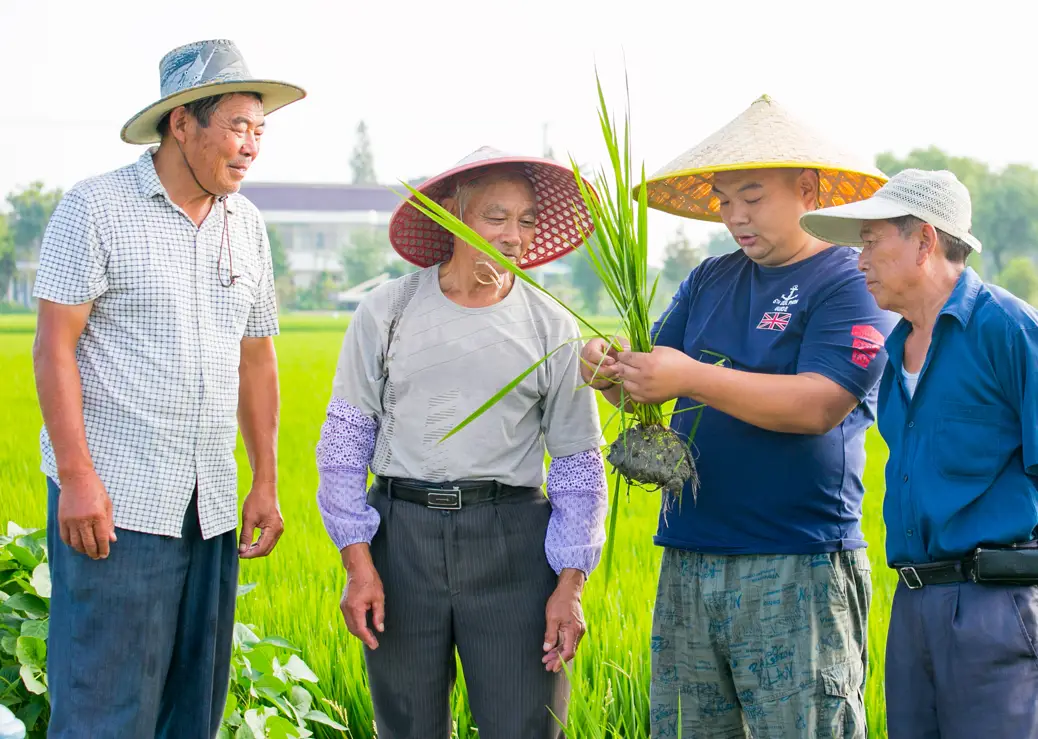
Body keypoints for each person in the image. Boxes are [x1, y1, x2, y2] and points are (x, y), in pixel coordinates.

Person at [581, 95, 898, 738]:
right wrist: (609, 372)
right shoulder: (710, 278)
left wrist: (691, 376)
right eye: (725, 201)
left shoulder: (850, 279)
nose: (735, 217)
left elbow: (819, 403)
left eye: (752, 198)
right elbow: (647, 389)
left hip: (796, 560)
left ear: (807, 189)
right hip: (690, 554)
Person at [32, 39, 304, 738]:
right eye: (238, 126)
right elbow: (53, 347)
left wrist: (265, 481)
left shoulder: (246, 225)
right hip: (115, 502)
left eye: (259, 130)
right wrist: (77, 476)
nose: (251, 146)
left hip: (208, 501)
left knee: (193, 706)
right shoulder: (95, 208)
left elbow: (257, 357)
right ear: (182, 121)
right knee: (104, 704)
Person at [316, 146, 609, 739]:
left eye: (526, 220)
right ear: (453, 214)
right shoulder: (388, 310)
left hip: (512, 542)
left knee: (525, 723)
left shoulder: (550, 323)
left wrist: (569, 585)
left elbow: (579, 466)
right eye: (496, 217)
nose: (515, 235)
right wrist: (358, 563)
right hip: (402, 538)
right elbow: (345, 442)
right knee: (407, 726)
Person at [800, 168, 1038, 739]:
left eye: (872, 242)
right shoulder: (892, 349)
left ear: (924, 240)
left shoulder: (1006, 328)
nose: (860, 261)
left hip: (994, 606)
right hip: (911, 605)